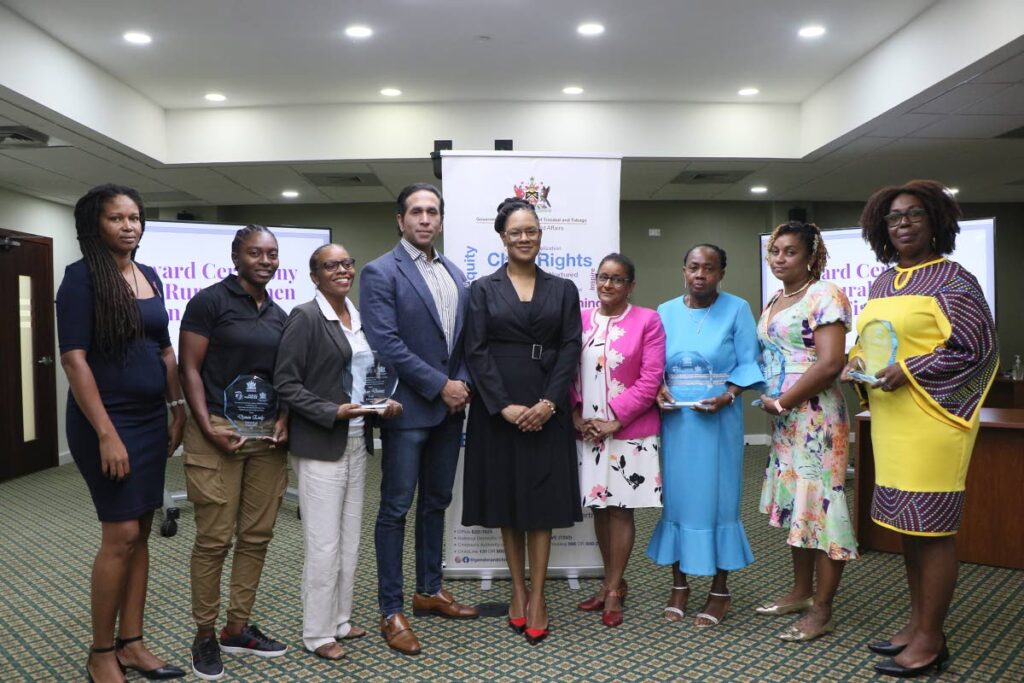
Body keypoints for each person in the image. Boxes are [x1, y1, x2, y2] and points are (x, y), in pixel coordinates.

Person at [845, 180, 997, 678]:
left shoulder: (955, 280)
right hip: (891, 420)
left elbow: (976, 349)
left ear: (935, 221)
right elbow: (877, 340)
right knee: (910, 531)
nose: (903, 223)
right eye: (893, 217)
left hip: (934, 421)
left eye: (913, 215)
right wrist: (856, 362)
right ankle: (916, 624)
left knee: (931, 533)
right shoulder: (882, 283)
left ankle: (932, 638)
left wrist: (910, 370)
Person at [56, 184, 187, 683]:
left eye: (135, 217)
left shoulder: (147, 274)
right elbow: (74, 359)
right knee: (121, 533)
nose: (129, 226)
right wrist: (107, 433)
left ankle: (133, 643)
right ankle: (101, 651)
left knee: (144, 531)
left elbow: (164, 349)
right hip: (104, 421)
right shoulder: (80, 279)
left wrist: (176, 408)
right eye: (117, 218)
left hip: (152, 417)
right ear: (95, 225)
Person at [360, 183, 477, 657]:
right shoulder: (379, 272)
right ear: (400, 220)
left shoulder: (452, 271)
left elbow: (466, 340)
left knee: (437, 502)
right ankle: (391, 609)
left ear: (441, 220)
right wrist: (440, 385)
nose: (425, 219)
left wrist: (461, 385)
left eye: (433, 212)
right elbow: (386, 344)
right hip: (408, 411)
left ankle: (428, 590)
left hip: (450, 411)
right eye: (416, 212)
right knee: (395, 509)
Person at [462, 197, 584, 645]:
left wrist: (550, 403)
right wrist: (503, 406)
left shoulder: (564, 288)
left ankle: (538, 598)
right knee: (507, 502)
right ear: (502, 237)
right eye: (516, 232)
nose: (524, 238)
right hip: (499, 412)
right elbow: (474, 350)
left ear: (540, 234)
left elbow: (571, 347)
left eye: (531, 230)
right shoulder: (481, 289)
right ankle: (517, 590)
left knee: (542, 506)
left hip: (546, 408)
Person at [274, 244, 402, 661]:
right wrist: (332, 411)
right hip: (321, 444)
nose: (343, 270)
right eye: (331, 266)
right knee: (323, 544)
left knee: (349, 540)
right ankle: (316, 632)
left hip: (358, 440)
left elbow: (365, 378)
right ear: (315, 276)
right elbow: (287, 384)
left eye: (347, 264)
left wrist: (383, 406)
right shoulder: (306, 317)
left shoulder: (357, 318)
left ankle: (341, 621)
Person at [178, 225, 290, 680]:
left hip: (265, 437)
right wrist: (205, 425)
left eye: (272, 254)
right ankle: (204, 634)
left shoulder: (280, 314)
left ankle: (237, 628)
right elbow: (189, 367)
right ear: (236, 256)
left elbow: (284, 375)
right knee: (214, 538)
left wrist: (285, 419)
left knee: (257, 536)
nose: (265, 260)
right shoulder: (209, 302)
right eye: (256, 253)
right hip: (218, 432)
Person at [646, 244, 763, 629]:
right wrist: (659, 388)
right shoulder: (665, 311)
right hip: (677, 423)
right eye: (694, 267)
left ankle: (719, 590)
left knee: (718, 503)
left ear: (720, 274)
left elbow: (749, 362)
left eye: (709, 269)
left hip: (717, 420)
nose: (700, 275)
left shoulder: (737, 308)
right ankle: (679, 584)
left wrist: (729, 394)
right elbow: (655, 364)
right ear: (683, 270)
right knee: (677, 502)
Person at [755, 221, 858, 642]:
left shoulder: (825, 295)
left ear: (810, 255)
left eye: (790, 251)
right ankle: (800, 591)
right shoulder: (779, 297)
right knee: (801, 505)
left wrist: (784, 400)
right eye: (775, 251)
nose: (780, 258)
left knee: (822, 509)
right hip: (785, 420)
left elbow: (831, 362)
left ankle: (823, 608)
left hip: (815, 416)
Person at [571, 253, 665, 628]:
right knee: (599, 506)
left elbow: (651, 377)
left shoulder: (648, 321)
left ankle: (611, 590)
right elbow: (568, 373)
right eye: (603, 277)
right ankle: (613, 581)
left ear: (631, 285)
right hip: (588, 432)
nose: (608, 284)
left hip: (629, 433)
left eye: (617, 279)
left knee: (620, 509)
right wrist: (577, 414)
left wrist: (614, 420)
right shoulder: (580, 321)